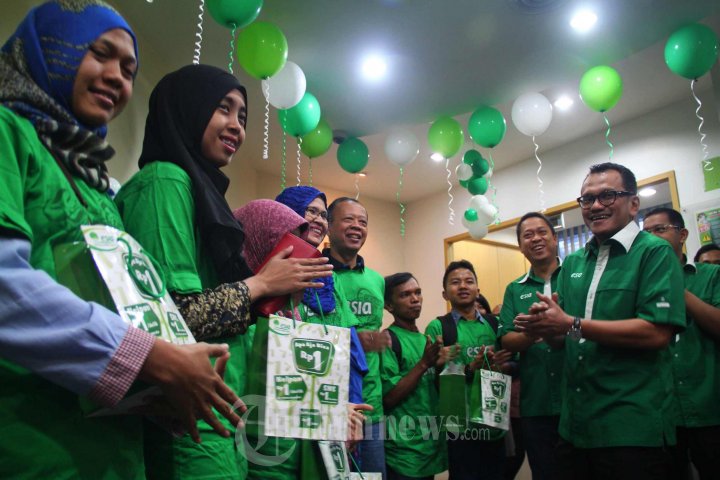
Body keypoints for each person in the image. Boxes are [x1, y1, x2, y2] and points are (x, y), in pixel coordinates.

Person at [0, 2, 243, 478]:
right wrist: (147, 358)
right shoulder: (9, 133)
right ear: (50, 48)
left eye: (129, 70)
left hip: (113, 451)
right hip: (31, 443)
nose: (117, 77)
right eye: (100, 54)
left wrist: (155, 387)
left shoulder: (98, 188)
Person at [115, 65, 331, 479]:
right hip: (188, 426)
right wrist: (261, 284)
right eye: (223, 109)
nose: (236, 126)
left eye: (243, 117)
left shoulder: (199, 193)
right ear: (188, 110)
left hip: (219, 420)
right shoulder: (166, 180)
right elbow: (173, 319)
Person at [515, 162, 685, 479]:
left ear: (633, 203)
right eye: (587, 199)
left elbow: (656, 333)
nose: (595, 206)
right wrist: (547, 327)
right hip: (575, 427)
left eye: (607, 195)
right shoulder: (574, 262)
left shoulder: (655, 253)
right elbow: (565, 338)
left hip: (631, 427)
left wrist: (571, 323)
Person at [235, 199, 367, 479]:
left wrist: (339, 408)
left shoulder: (293, 311)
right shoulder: (234, 315)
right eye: (289, 245)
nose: (299, 259)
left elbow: (306, 380)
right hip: (257, 456)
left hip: (303, 450)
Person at [643, 207, 720, 479]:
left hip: (709, 407)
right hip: (661, 413)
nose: (652, 237)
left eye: (660, 229)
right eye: (646, 232)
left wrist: (674, 284)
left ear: (683, 234)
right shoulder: (639, 283)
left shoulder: (711, 275)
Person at [426, 260, 512, 480]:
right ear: (445, 294)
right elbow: (432, 376)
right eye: (455, 282)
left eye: (468, 281)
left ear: (478, 290)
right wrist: (470, 368)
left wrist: (501, 366)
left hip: (493, 418)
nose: (463, 286)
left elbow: (513, 363)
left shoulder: (495, 324)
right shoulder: (438, 327)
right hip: (458, 423)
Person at [323, 196, 390, 477]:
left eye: (362, 222)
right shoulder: (317, 272)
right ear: (328, 226)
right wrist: (357, 343)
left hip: (371, 405)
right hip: (329, 404)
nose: (356, 226)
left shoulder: (377, 280)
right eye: (348, 219)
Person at [499, 212, 564, 480]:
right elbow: (506, 338)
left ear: (554, 237)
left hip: (578, 398)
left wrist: (557, 325)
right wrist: (535, 331)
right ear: (520, 246)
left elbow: (588, 325)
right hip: (535, 402)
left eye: (541, 232)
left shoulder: (576, 277)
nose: (535, 239)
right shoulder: (515, 289)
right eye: (528, 235)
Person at [381, 272, 448, 480]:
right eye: (405, 295)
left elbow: (435, 390)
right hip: (403, 453)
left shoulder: (425, 339)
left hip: (429, 447)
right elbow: (388, 398)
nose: (415, 299)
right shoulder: (388, 340)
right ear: (389, 306)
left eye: (418, 292)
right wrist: (424, 363)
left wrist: (440, 368)